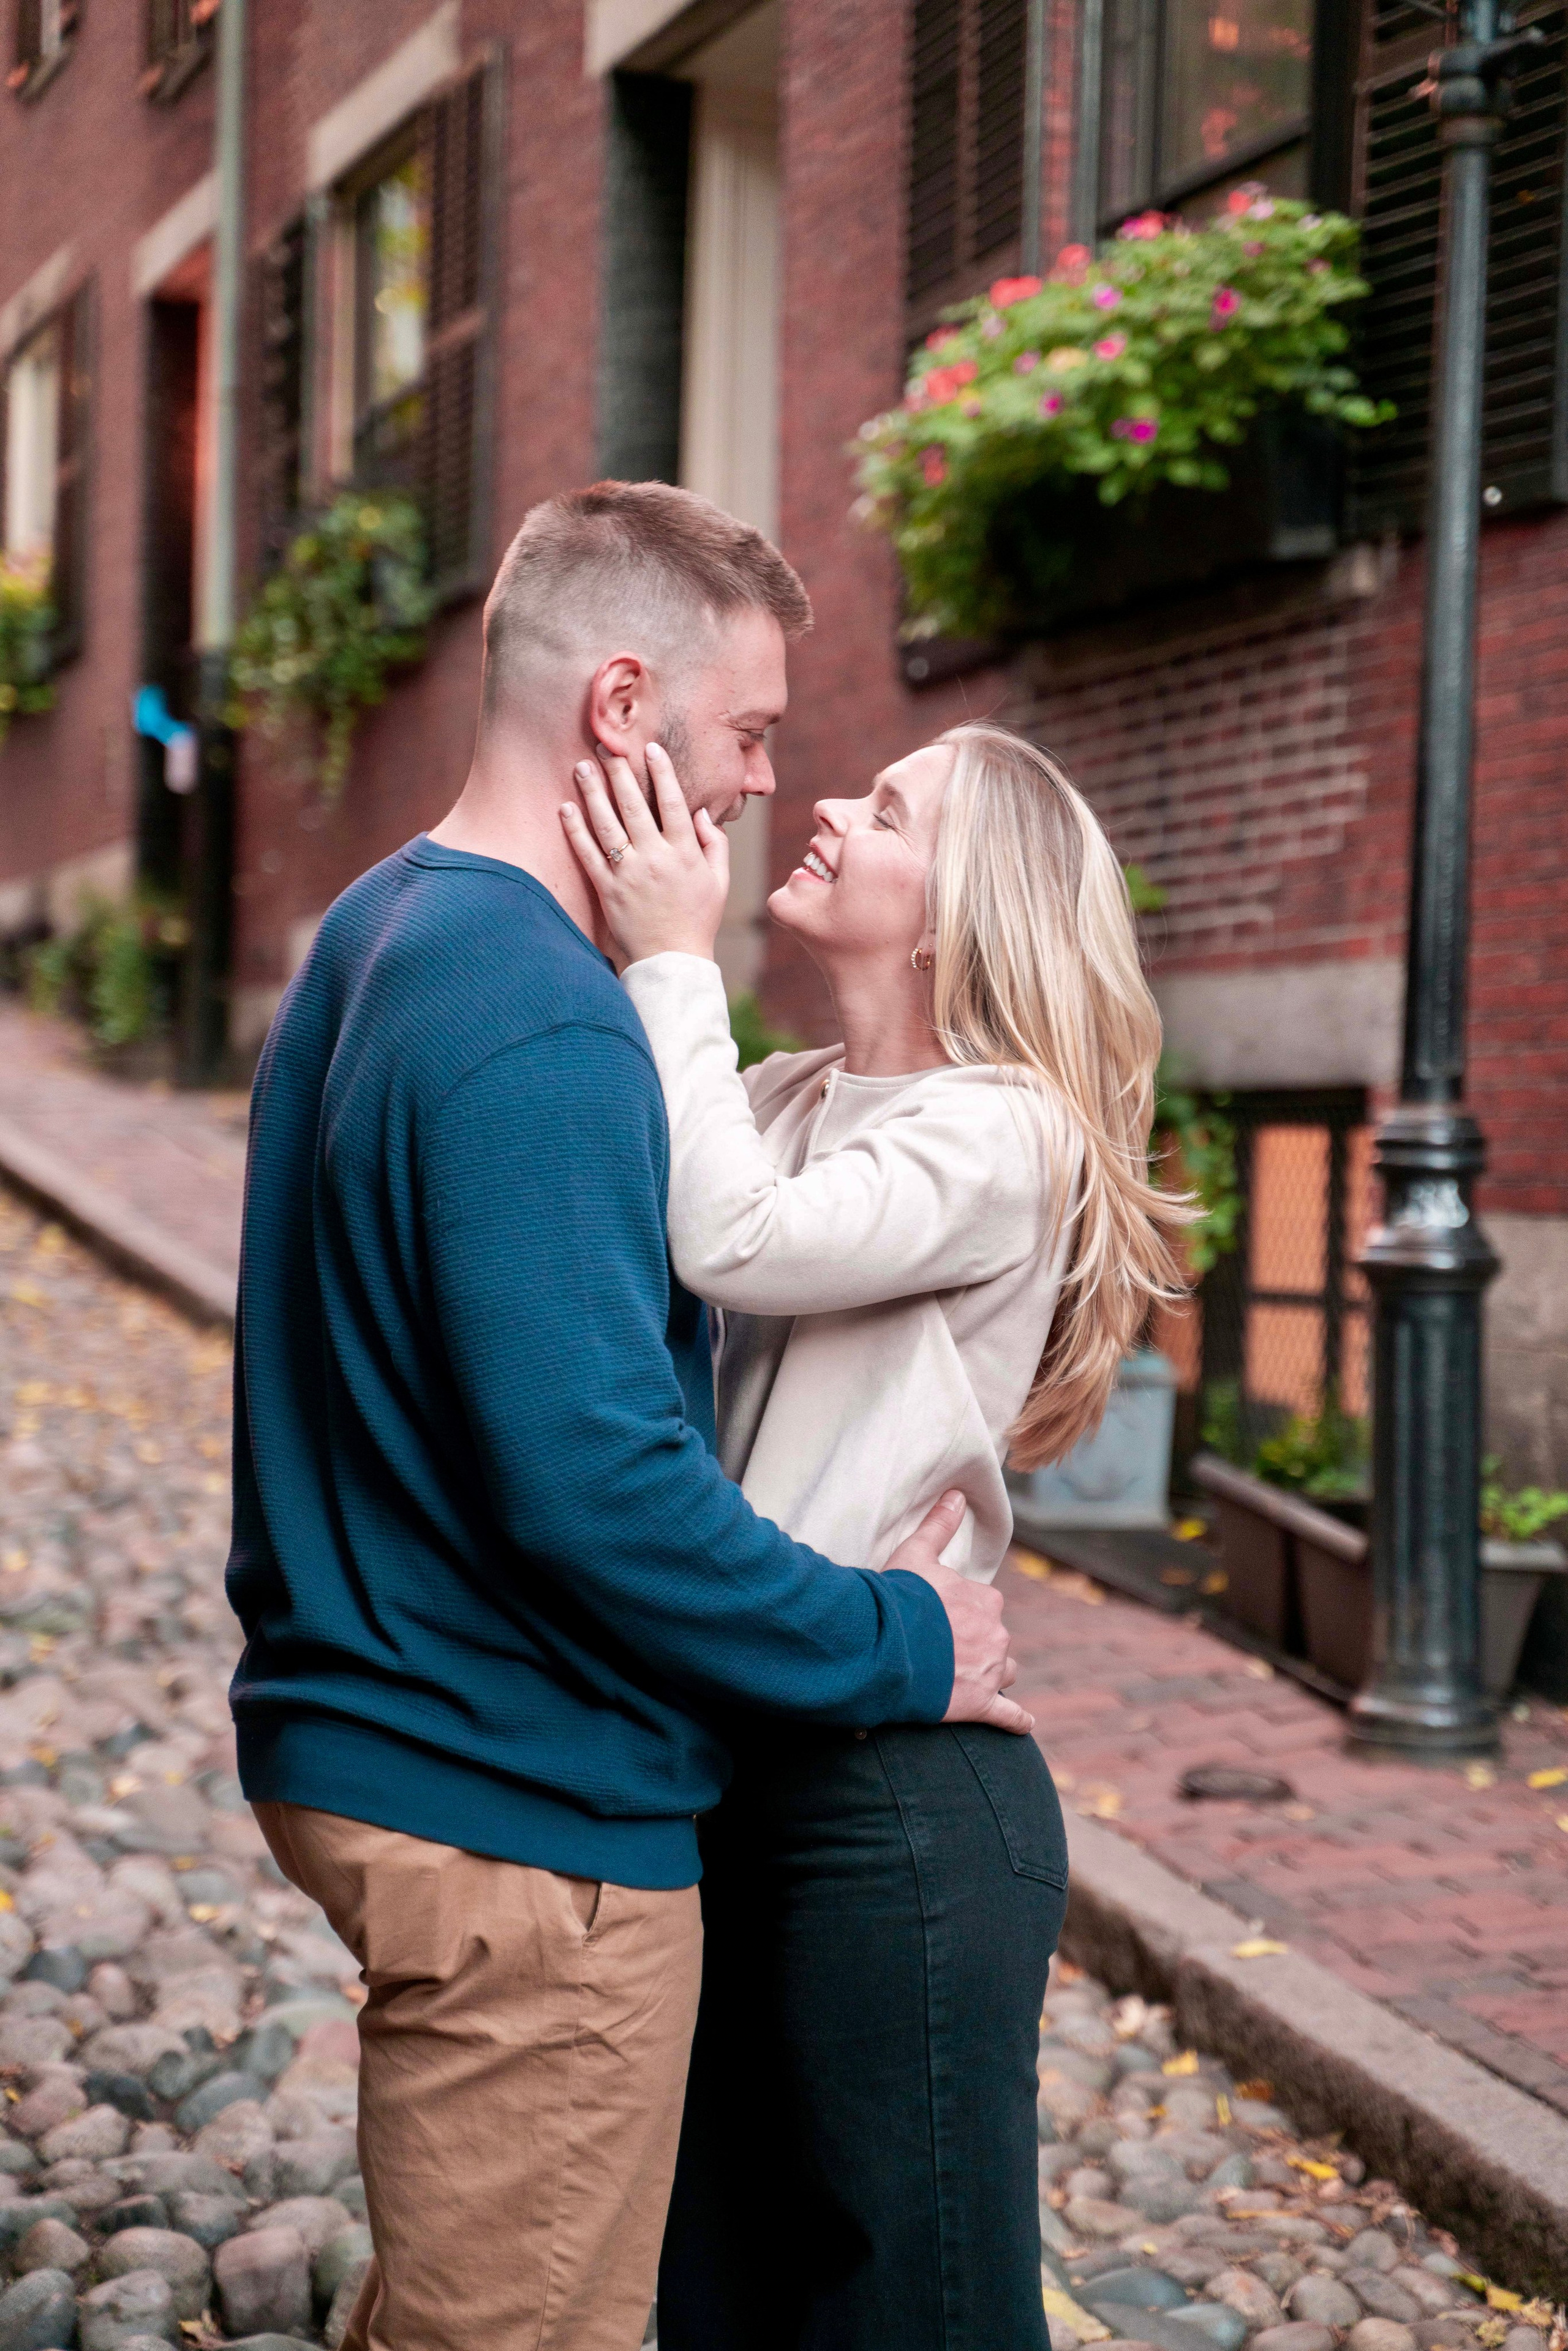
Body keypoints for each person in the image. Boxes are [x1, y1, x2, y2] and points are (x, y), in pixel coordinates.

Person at [224, 483, 1031, 2351]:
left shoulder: (378, 928)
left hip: (389, 1748)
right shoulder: (545, 1015)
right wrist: (901, 1638)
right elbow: (599, 1487)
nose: (764, 780)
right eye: (747, 730)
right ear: (619, 708)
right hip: (522, 1815)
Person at [562, 719, 1191, 2350]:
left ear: (955, 915)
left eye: (891, 810)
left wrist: (675, 954)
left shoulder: (1007, 1130)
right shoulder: (783, 1098)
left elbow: (728, 1238)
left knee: (919, 2312)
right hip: (746, 1757)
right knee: (724, 2294)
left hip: (892, 1807)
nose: (833, 804)